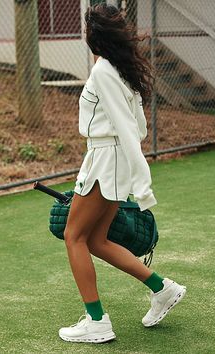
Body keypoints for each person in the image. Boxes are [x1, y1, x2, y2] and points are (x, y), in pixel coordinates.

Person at [59, 3, 186, 343]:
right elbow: (139, 125)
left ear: (92, 38)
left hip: (105, 160)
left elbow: (130, 131)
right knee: (97, 240)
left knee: (74, 236)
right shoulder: (118, 68)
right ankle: (162, 289)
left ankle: (96, 320)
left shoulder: (103, 71)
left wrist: (142, 183)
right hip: (110, 161)